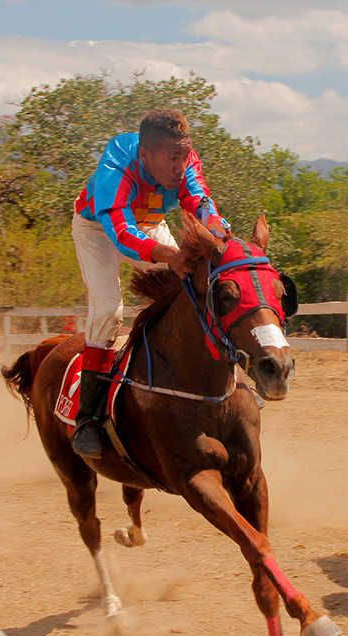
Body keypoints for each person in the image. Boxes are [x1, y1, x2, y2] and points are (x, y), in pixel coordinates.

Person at [69, 108, 230, 457]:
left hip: (148, 223)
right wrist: (171, 256)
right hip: (99, 229)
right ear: (144, 155)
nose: (181, 166)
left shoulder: (185, 162)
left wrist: (217, 229)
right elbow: (121, 232)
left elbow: (200, 202)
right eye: (173, 158)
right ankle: (88, 420)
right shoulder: (118, 162)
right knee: (110, 310)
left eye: (185, 155)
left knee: (190, 286)